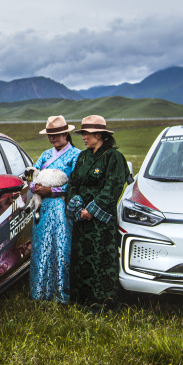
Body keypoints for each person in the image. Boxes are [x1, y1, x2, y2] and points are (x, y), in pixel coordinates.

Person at [64, 115, 130, 310]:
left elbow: (113, 186)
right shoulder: (82, 157)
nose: (83, 137)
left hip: (101, 221)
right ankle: (81, 299)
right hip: (81, 219)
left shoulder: (113, 157)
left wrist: (92, 210)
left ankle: (103, 302)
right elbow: (73, 183)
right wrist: (77, 207)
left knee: (101, 259)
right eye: (83, 133)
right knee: (81, 258)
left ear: (99, 135)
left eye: (87, 134)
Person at [29, 116, 81, 303]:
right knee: (41, 247)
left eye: (56, 135)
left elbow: (76, 185)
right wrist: (34, 187)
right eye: (50, 135)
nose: (52, 138)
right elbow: (32, 176)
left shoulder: (76, 155)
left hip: (61, 208)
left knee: (61, 247)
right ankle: (39, 293)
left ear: (65, 133)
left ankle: (61, 293)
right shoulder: (44, 155)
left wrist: (52, 190)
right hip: (42, 208)